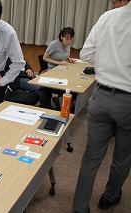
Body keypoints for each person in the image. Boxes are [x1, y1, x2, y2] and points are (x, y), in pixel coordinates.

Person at [73, 3, 131, 212]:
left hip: (102, 96)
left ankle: (80, 207)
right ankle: (109, 197)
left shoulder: (107, 17)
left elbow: (86, 54)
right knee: (123, 157)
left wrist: (108, 62)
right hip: (128, 102)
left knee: (92, 156)